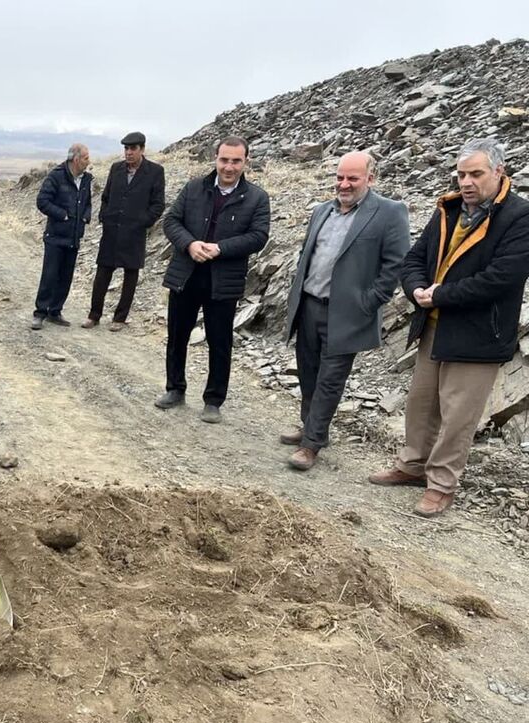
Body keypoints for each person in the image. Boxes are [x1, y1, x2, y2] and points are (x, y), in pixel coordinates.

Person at [369, 138, 529, 516]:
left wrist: (440, 295)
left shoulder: (520, 216)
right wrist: (416, 289)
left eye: (476, 173)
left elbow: (502, 278)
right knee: (421, 404)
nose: (467, 182)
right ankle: (412, 466)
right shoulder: (448, 209)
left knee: (459, 415)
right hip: (434, 324)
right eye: (461, 174)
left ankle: (441, 484)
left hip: (479, 334)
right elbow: (414, 259)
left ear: (499, 171)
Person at [281, 152, 410, 471]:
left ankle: (311, 444)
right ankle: (310, 425)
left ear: (371, 179)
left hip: (349, 314)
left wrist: (369, 301)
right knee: (308, 372)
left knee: (330, 380)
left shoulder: (390, 212)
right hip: (309, 306)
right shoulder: (322, 210)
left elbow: (395, 264)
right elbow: (306, 255)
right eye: (340, 177)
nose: (344, 184)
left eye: (353, 178)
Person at [157, 137, 270, 422]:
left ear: (246, 161)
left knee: (220, 342)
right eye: (224, 160)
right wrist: (190, 245)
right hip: (187, 274)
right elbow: (171, 221)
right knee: (177, 336)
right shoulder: (194, 188)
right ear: (215, 158)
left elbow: (258, 236)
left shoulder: (257, 197)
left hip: (224, 281)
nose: (229, 167)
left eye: (236, 161)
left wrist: (220, 249)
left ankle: (213, 400)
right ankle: (175, 388)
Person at [82, 132, 166, 331]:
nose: (128, 152)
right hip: (112, 230)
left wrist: (142, 222)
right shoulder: (116, 168)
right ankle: (94, 315)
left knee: (130, 275)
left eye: (133, 149)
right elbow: (106, 196)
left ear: (142, 149)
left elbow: (158, 204)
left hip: (134, 233)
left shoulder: (155, 171)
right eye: (126, 149)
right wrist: (105, 216)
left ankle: (120, 318)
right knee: (102, 273)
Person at [32, 143, 92, 330]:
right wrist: (62, 214)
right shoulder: (56, 176)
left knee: (66, 276)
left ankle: (55, 311)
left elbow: (87, 202)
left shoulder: (86, 179)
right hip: (55, 236)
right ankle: (40, 313)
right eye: (86, 158)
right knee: (50, 275)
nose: (88, 161)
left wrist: (86, 216)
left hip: (74, 236)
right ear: (76, 159)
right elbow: (42, 201)